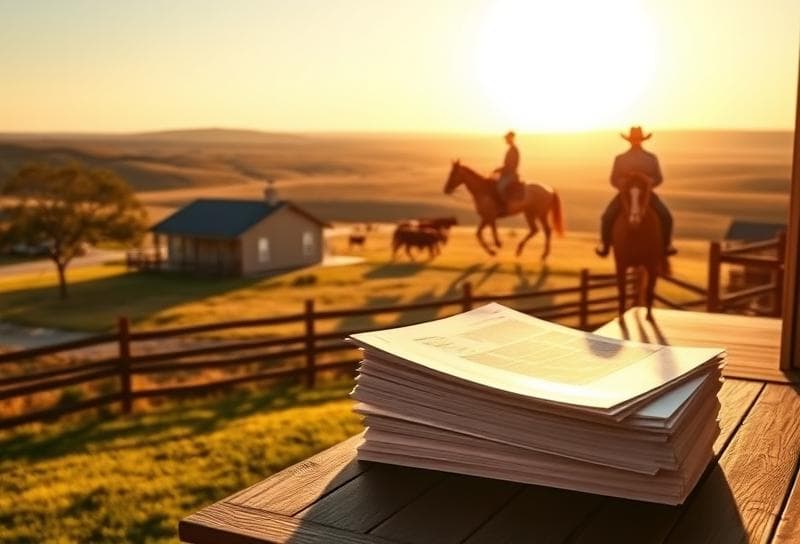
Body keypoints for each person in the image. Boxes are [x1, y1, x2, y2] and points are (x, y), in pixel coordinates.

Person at [596, 126, 676, 257]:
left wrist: (649, 182)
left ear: (642, 140)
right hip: (625, 195)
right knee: (607, 216)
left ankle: (666, 245)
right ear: (629, 140)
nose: (636, 141)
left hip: (646, 195)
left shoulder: (651, 158)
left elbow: (659, 178)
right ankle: (605, 245)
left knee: (666, 216)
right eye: (634, 139)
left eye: (638, 139)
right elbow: (613, 179)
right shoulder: (620, 158)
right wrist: (621, 183)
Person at [492, 130, 519, 212]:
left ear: (510, 139)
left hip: (510, 175)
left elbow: (511, 165)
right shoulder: (511, 149)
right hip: (507, 173)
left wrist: (500, 170)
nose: (505, 140)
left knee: (500, 187)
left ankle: (504, 206)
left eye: (507, 139)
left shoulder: (513, 150)